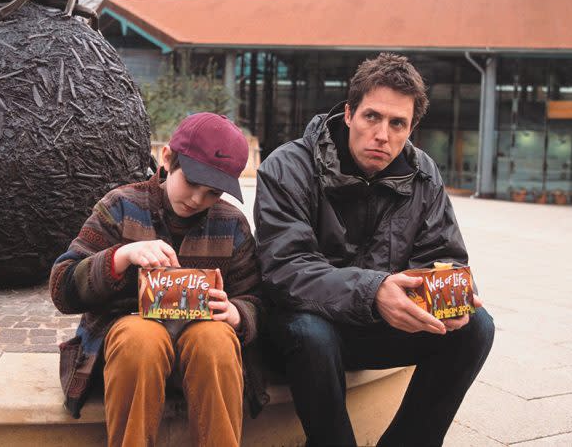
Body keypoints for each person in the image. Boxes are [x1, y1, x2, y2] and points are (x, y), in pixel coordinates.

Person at [254, 53, 494, 447]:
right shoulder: (288, 166)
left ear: (411, 127)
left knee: (476, 327)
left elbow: (444, 254)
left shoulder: (423, 174)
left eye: (397, 123)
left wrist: (447, 294)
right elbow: (286, 269)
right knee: (311, 332)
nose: (382, 134)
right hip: (304, 328)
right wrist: (374, 290)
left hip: (379, 327)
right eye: (372, 117)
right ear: (349, 114)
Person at [50, 112, 264, 447]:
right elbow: (63, 288)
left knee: (216, 339)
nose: (197, 200)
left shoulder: (232, 224)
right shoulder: (120, 206)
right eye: (192, 183)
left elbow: (255, 297)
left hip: (203, 354)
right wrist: (120, 257)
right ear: (167, 158)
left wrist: (239, 312)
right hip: (130, 356)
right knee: (141, 337)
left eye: (212, 193)